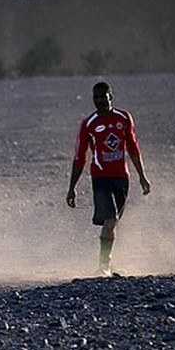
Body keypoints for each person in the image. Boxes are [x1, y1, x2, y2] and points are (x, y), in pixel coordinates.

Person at [66, 80, 151, 276]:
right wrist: (72, 188)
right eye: (95, 98)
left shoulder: (123, 118)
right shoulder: (88, 124)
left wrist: (142, 177)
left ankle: (107, 264)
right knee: (110, 219)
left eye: (103, 97)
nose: (99, 101)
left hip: (121, 178)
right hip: (100, 177)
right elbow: (80, 157)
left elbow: (133, 148)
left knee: (112, 222)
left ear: (110, 97)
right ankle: (103, 265)